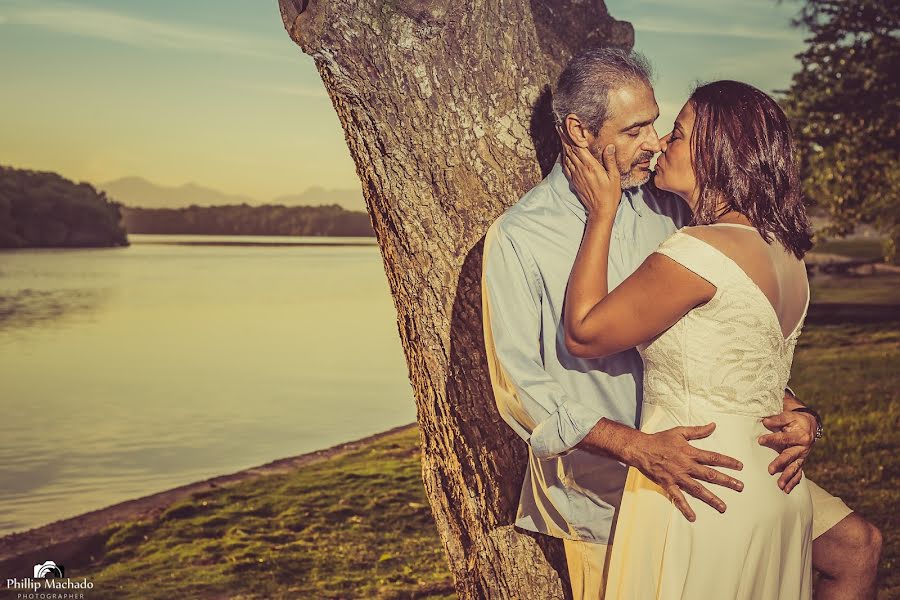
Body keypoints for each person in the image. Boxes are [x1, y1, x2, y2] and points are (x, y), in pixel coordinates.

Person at [480, 48, 881, 599]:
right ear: (578, 131)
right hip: (609, 492)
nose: (655, 141)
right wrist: (635, 447)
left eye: (660, 124)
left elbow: (728, 334)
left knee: (854, 544)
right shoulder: (521, 237)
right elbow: (520, 389)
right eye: (637, 128)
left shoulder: (671, 208)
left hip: (717, 471)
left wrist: (800, 411)